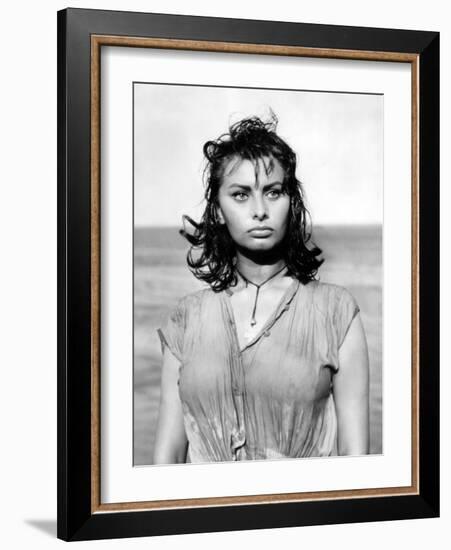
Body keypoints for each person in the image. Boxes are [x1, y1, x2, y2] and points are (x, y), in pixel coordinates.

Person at [153, 114, 369, 464]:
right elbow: (167, 456)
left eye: (273, 192)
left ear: (291, 202)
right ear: (218, 210)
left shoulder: (336, 311)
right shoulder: (186, 318)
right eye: (240, 195)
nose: (259, 211)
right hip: (201, 517)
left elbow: (356, 458)